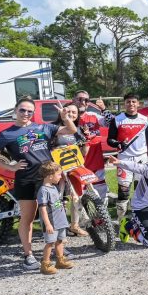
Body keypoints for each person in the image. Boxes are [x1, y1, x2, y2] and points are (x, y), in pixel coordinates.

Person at [0, 97, 75, 270]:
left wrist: (66, 117)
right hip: (26, 179)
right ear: (15, 110)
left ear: (33, 113)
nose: (26, 113)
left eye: (29, 111)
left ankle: (58, 249)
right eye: (22, 110)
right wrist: (11, 168)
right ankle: (29, 255)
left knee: (55, 212)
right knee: (28, 218)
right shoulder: (7, 134)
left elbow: (71, 131)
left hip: (48, 178)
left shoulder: (43, 127)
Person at [107, 93, 148, 220]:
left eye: (134, 102)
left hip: (141, 159)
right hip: (123, 159)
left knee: (142, 189)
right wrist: (118, 143)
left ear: (138, 103)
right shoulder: (117, 119)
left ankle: (140, 217)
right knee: (123, 190)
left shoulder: (144, 119)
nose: (131, 104)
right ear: (125, 104)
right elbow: (109, 140)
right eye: (128, 102)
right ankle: (121, 219)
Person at [51, 102, 89, 237]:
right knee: (58, 198)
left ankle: (74, 225)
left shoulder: (78, 129)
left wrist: (86, 140)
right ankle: (58, 227)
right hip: (57, 169)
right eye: (69, 111)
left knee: (76, 196)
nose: (71, 114)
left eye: (74, 112)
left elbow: (83, 152)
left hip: (73, 168)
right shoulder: (54, 127)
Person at [36, 161, 75, 275]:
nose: (60, 177)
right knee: (50, 242)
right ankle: (46, 264)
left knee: (60, 241)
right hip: (52, 222)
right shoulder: (43, 191)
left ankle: (60, 260)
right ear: (50, 176)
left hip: (60, 220)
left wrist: (61, 204)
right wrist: (47, 224)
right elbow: (43, 208)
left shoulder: (54, 188)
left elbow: (54, 203)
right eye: (59, 175)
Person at [73, 90, 110, 204]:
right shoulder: (68, 117)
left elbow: (111, 122)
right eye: (79, 99)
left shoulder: (93, 116)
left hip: (95, 160)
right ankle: (82, 218)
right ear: (73, 100)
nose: (82, 102)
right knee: (78, 194)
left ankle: (102, 217)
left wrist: (104, 109)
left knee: (100, 189)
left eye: (86, 100)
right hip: (76, 161)